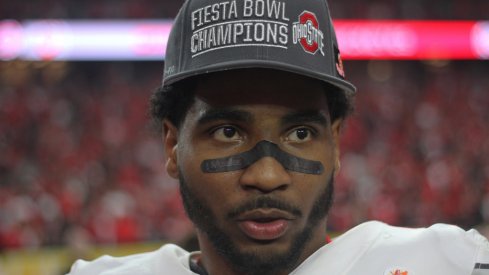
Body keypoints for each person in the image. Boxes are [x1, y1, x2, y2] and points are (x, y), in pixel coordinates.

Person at [67, 0, 489, 274]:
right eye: (228, 132)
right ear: (172, 145)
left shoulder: (446, 262)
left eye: (301, 132)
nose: (267, 175)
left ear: (337, 144)